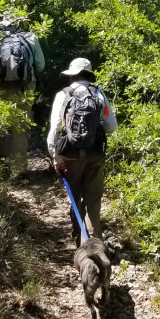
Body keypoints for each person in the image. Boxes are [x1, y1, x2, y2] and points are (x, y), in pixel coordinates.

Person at [48, 57, 117, 240]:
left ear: (72, 75)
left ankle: (79, 240)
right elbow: (112, 127)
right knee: (93, 201)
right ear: (89, 74)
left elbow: (55, 129)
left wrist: (56, 156)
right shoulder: (98, 94)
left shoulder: (63, 95)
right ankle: (93, 243)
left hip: (70, 155)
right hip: (95, 154)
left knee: (75, 197)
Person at [0, 19, 45, 175]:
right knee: (21, 127)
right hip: (25, 88)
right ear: (19, 23)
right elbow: (41, 65)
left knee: (2, 124)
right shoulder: (30, 37)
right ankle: (18, 170)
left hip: (2, 87)